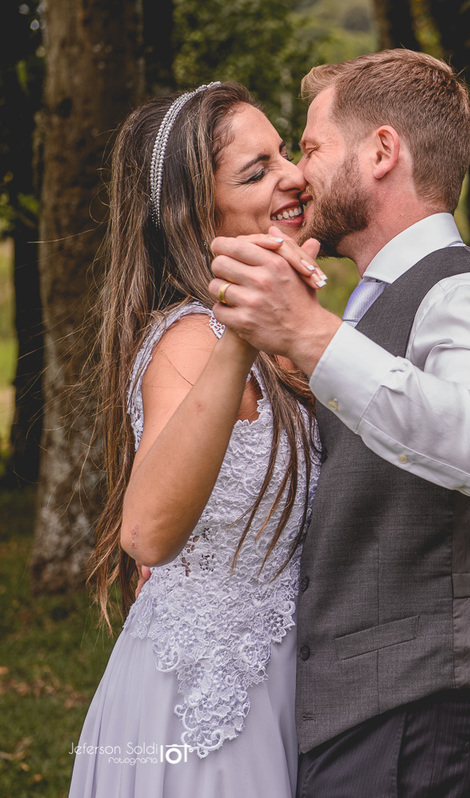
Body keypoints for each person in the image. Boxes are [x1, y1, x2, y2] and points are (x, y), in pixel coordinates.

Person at [208, 49, 470, 797]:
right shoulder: (365, 312)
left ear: (381, 152)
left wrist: (307, 333)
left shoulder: (469, 297)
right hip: (358, 723)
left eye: (310, 147)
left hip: (429, 720)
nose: (298, 175)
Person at [69, 82, 325, 797]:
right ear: (194, 216)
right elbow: (147, 532)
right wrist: (237, 336)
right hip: (204, 707)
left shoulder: (292, 324)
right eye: (257, 171)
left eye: (283, 152)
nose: (293, 176)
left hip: (285, 679)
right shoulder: (191, 340)